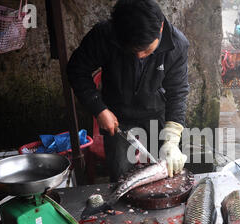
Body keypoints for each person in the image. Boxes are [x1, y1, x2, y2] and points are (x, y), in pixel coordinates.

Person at [67, 0, 189, 181]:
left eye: (147, 50)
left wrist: (172, 139)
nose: (140, 56)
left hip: (157, 113)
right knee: (122, 177)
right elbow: (76, 70)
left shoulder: (177, 45)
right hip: (117, 117)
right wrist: (99, 109)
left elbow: (178, 92)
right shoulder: (105, 35)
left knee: (168, 173)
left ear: (161, 27)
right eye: (133, 51)